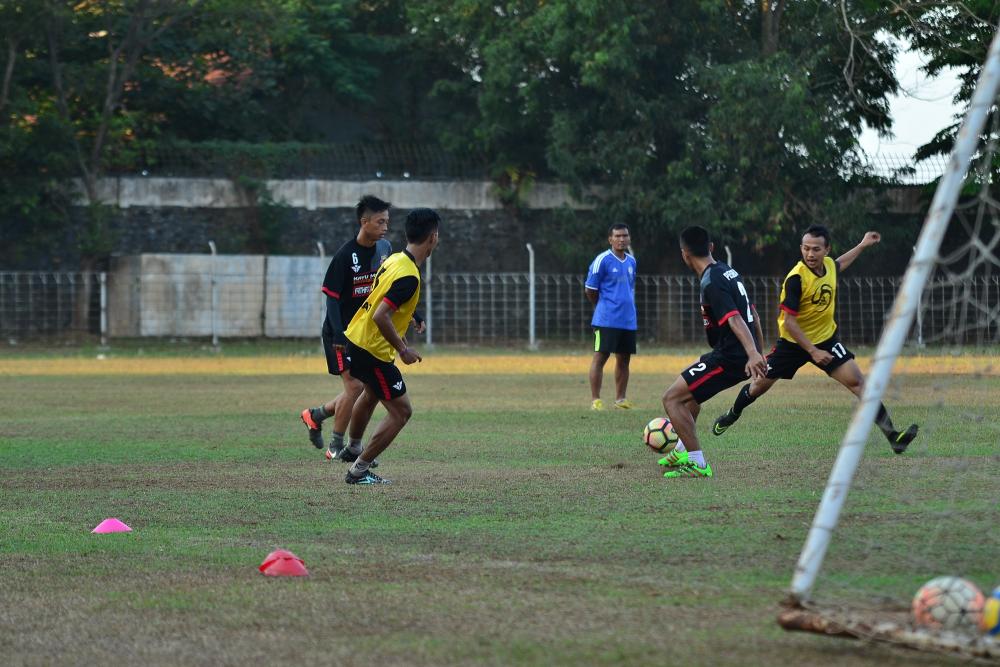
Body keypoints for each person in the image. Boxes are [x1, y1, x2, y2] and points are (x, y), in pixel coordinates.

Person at [711, 225, 919, 452]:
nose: (810, 254)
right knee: (758, 386)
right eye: (806, 248)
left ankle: (894, 438)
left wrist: (862, 245)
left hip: (825, 340)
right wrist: (812, 351)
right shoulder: (796, 279)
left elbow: (839, 265)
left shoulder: (829, 266)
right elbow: (789, 322)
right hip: (791, 345)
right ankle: (733, 414)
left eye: (816, 249)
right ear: (801, 248)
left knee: (859, 383)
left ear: (826, 250)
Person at [339, 207, 440, 485]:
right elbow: (381, 314)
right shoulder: (409, 275)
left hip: (358, 339)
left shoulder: (395, 259)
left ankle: (354, 447)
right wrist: (402, 349)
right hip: (372, 350)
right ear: (432, 238)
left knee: (371, 394)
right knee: (402, 412)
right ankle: (359, 470)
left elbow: (381, 299)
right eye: (437, 236)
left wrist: (405, 326)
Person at [659, 226, 767, 479]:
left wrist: (753, 354)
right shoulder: (728, 272)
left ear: (684, 254)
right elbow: (755, 315)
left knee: (671, 399)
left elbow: (736, 319)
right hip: (729, 352)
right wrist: (760, 351)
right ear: (711, 248)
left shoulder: (712, 281)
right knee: (689, 395)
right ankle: (682, 449)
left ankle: (698, 463)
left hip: (731, 357)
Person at [300, 195, 397, 464]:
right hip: (340, 333)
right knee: (354, 387)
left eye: (387, 222)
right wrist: (339, 333)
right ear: (364, 222)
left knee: (365, 387)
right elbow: (331, 297)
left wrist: (415, 313)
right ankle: (337, 446)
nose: (385, 227)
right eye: (380, 222)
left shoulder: (385, 249)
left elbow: (391, 287)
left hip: (364, 334)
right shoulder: (345, 255)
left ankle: (316, 415)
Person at [585, 223, 638, 411]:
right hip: (606, 320)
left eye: (625, 235)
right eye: (617, 236)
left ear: (629, 238)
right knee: (600, 357)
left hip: (628, 320)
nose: (621, 239)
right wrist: (603, 306)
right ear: (610, 239)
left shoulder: (632, 261)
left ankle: (620, 399)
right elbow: (590, 290)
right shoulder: (602, 260)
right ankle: (596, 400)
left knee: (624, 360)